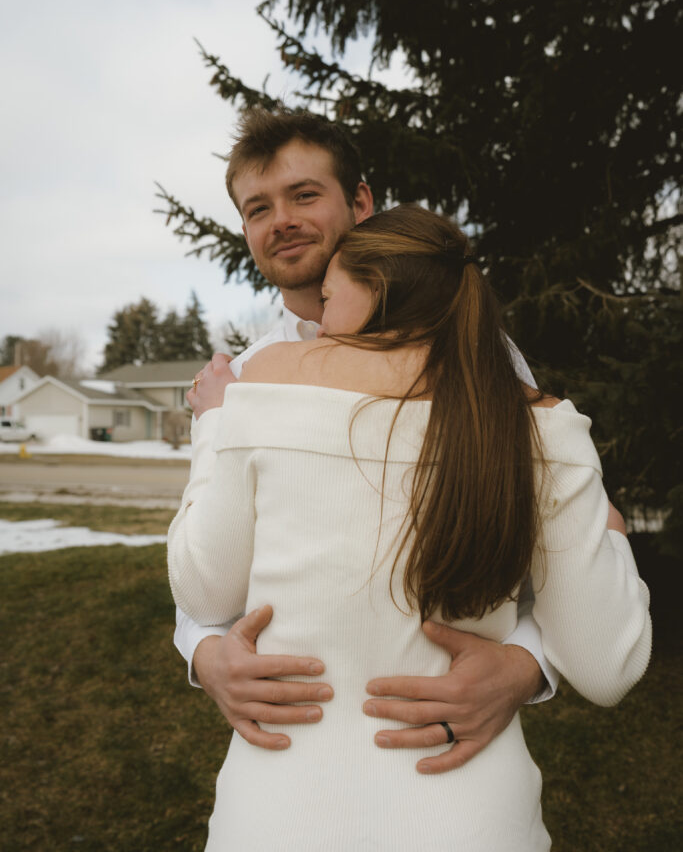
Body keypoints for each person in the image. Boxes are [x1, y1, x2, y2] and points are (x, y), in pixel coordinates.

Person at [168, 204, 651, 851]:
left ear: (375, 294)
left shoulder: (267, 391)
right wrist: (610, 528)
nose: (318, 321)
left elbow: (203, 592)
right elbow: (607, 664)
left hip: (274, 818)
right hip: (474, 823)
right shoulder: (540, 425)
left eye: (330, 297)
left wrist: (212, 427)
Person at [175, 107, 561, 773]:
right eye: (257, 208)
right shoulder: (237, 383)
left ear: (359, 202)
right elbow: (207, 559)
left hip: (442, 757)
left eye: (303, 195)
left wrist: (523, 668)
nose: (281, 221)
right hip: (290, 758)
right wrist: (206, 655)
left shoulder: (473, 354)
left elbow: (563, 538)